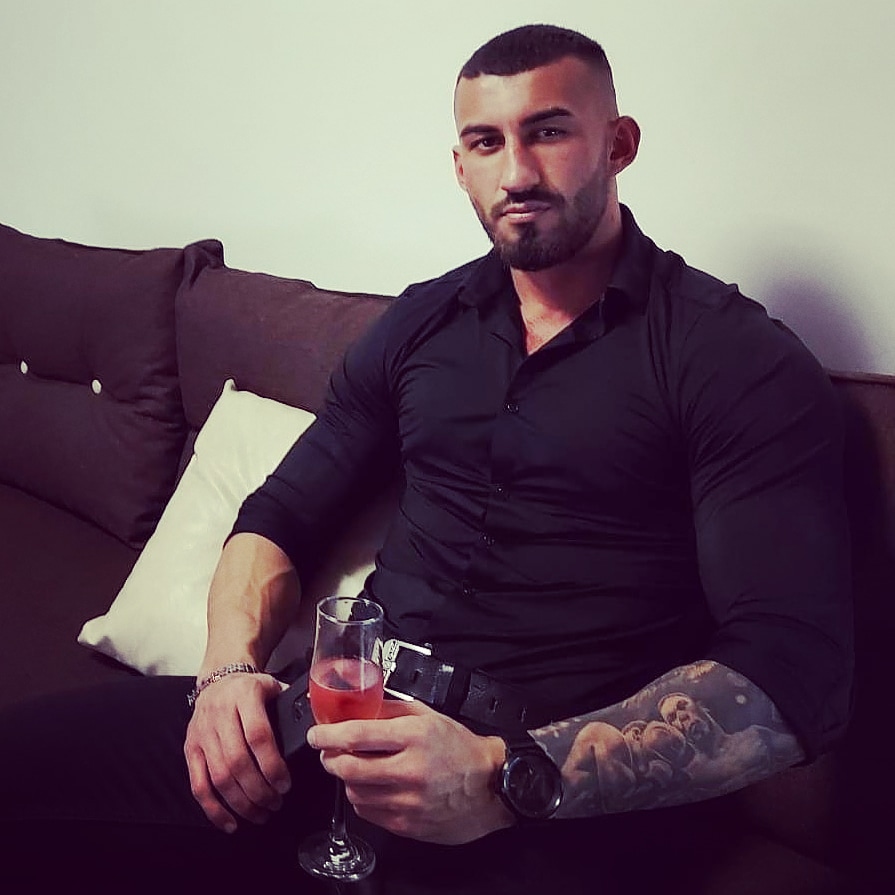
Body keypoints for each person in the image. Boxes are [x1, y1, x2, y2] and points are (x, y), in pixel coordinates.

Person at [0, 23, 852, 894]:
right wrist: (226, 673)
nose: (515, 173)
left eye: (547, 131)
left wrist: (505, 777)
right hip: (333, 725)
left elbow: (793, 671)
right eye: (485, 141)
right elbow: (281, 512)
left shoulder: (730, 356)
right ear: (459, 164)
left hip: (542, 804)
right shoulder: (422, 322)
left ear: (617, 144)